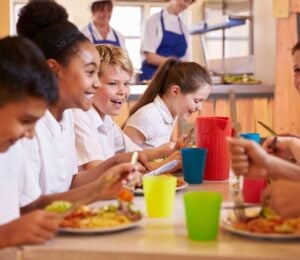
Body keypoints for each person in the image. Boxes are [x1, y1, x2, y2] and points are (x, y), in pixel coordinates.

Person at [16, 0, 147, 213]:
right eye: (89, 72)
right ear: (53, 69)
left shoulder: (66, 116)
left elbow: (70, 183)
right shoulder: (28, 126)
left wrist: (114, 163)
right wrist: (96, 190)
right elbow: (29, 207)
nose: (97, 83)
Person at [73, 44, 181, 171]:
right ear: (92, 83)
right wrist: (168, 164)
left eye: (126, 83)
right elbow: (99, 172)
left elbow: (135, 154)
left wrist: (169, 151)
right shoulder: (80, 117)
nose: (122, 91)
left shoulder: (106, 120)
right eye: (113, 83)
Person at [0, 36, 60, 248]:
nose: (30, 134)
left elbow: (30, 205)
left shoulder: (10, 147)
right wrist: (5, 236)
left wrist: (98, 189)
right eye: (25, 121)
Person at [123, 58, 211, 149]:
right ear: (175, 91)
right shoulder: (148, 117)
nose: (200, 108)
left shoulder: (171, 114)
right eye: (196, 101)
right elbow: (121, 157)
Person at [139, 0, 195, 82]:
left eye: (189, 3)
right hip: (152, 78)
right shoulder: (152, 21)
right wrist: (178, 63)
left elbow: (185, 59)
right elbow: (150, 58)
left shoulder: (184, 28)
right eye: (185, 0)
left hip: (174, 79)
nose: (185, 5)